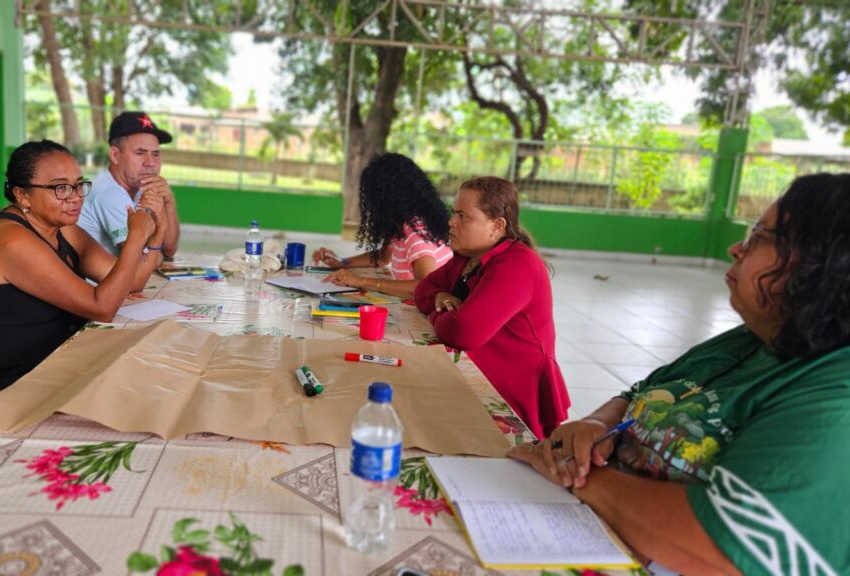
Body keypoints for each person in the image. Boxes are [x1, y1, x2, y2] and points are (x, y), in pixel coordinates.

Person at [508, 173, 850, 575]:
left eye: (759, 239)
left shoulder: (836, 394)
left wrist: (579, 477)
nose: (736, 249)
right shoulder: (753, 338)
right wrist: (598, 424)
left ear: (819, 264)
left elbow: (725, 544)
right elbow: (642, 393)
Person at [0, 140, 164, 414]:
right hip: (9, 385)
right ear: (22, 195)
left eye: (78, 185)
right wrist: (136, 235)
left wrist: (156, 234)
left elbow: (131, 282)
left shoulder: (61, 228)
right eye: (60, 188)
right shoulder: (10, 241)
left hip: (56, 363)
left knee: (155, 371)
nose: (75, 197)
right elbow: (102, 307)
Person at [415, 176, 569, 439]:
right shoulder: (468, 256)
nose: (451, 222)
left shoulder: (517, 265)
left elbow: (463, 332)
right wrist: (440, 296)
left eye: (463, 216)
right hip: (475, 370)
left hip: (510, 391)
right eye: (454, 213)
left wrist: (440, 311)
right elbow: (422, 290)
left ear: (497, 226)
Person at [314, 153, 452, 299]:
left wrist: (361, 281)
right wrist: (342, 262)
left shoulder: (416, 230)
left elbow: (426, 287)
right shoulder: (401, 225)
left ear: (384, 198)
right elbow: (383, 257)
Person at [78, 111, 180, 260]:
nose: (150, 163)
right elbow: (141, 259)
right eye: (140, 153)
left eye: (155, 154)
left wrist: (168, 201)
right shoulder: (109, 192)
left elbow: (168, 249)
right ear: (115, 155)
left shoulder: (139, 188)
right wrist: (156, 253)